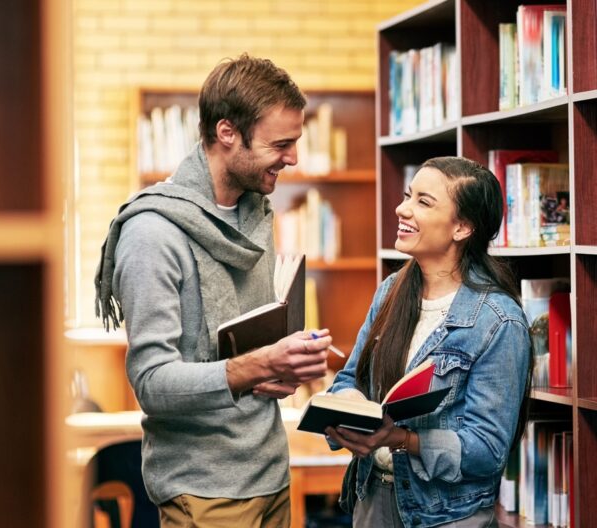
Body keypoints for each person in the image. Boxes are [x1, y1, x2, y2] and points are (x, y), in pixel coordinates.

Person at [94, 53, 332, 528]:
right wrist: (260, 364)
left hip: (272, 473)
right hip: (204, 490)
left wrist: (285, 361)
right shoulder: (152, 234)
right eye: (280, 144)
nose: (293, 158)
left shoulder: (256, 214)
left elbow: (244, 348)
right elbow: (153, 383)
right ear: (227, 133)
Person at [325, 156, 532, 527]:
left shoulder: (499, 321)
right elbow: (349, 378)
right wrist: (351, 408)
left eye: (423, 201)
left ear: (462, 227)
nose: (402, 208)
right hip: (371, 498)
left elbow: (487, 450)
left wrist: (401, 438)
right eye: (408, 196)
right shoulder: (391, 291)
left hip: (446, 515)